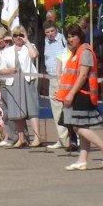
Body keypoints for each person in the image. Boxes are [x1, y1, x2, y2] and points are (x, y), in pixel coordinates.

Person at [59, 23, 103, 170]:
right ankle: (82, 160)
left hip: (82, 94)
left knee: (78, 127)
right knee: (81, 126)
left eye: (73, 36)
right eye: (68, 37)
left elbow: (83, 75)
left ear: (80, 37)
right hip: (77, 93)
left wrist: (71, 94)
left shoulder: (84, 51)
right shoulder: (76, 51)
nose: (70, 39)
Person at [0, 25, 40, 147]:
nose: (18, 37)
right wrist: (9, 71)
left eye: (21, 35)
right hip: (13, 83)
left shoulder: (29, 47)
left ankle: (37, 137)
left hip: (27, 81)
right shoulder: (7, 51)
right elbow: (0, 69)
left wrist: (27, 41)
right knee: (17, 111)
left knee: (32, 109)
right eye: (16, 35)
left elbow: (34, 56)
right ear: (12, 37)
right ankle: (21, 138)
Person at [42, 23, 75, 151]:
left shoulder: (63, 39)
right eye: (47, 32)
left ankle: (72, 138)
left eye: (52, 31)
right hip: (52, 78)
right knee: (56, 110)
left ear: (56, 30)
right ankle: (62, 139)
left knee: (66, 108)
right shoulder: (46, 42)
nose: (50, 34)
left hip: (64, 78)